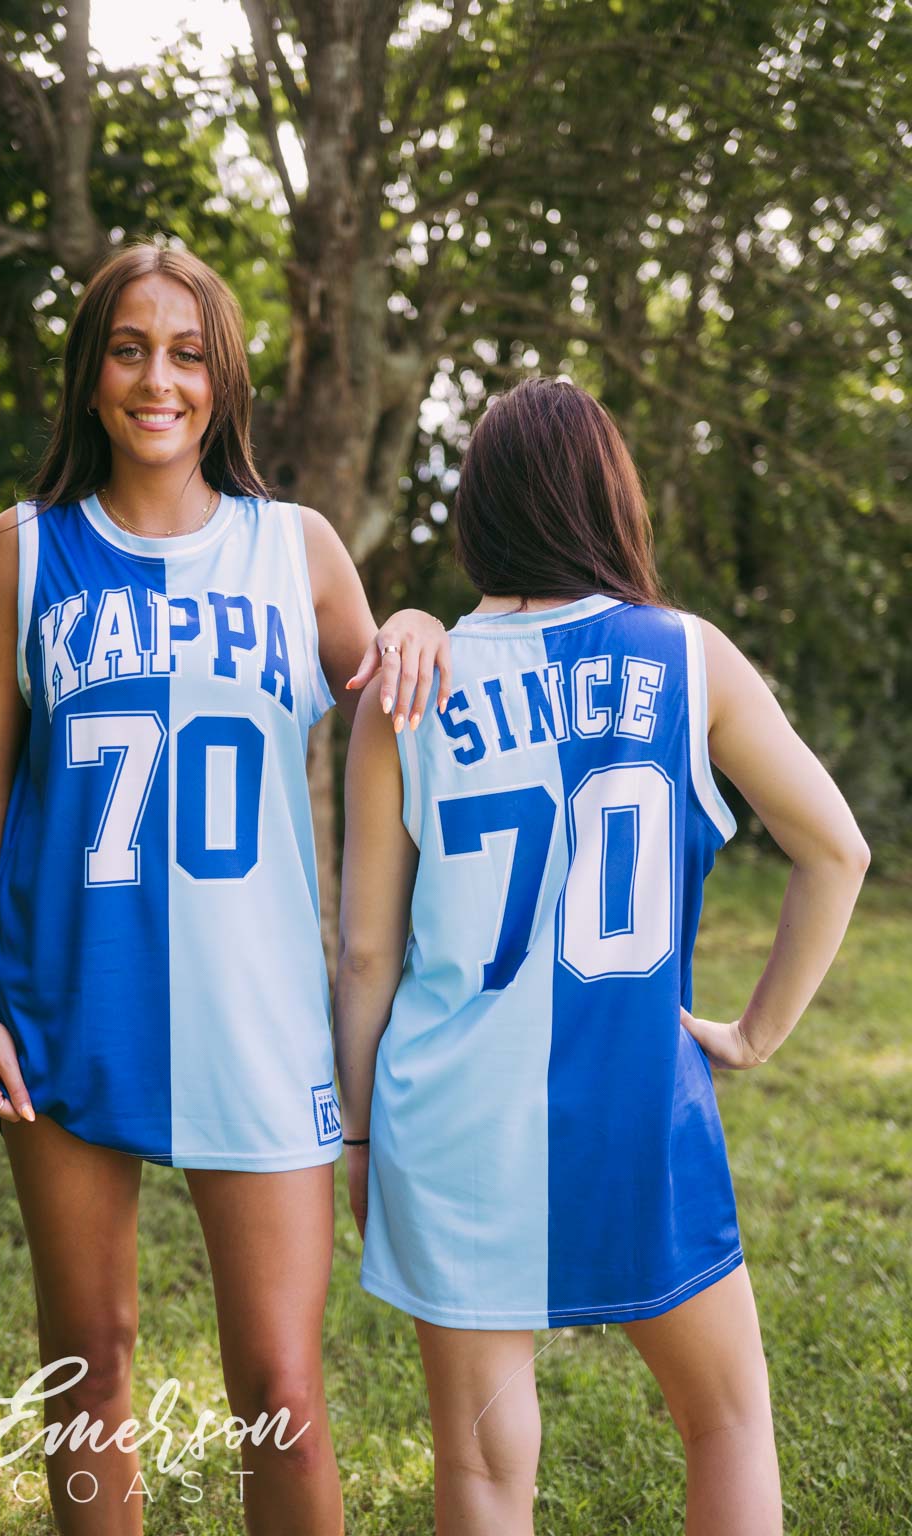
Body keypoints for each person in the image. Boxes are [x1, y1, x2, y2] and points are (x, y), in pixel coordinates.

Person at [0, 240, 452, 1536]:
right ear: (91, 374)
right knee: (88, 1368)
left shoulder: (297, 548)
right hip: (66, 1006)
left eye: (185, 354)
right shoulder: (27, 549)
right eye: (128, 350)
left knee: (281, 1388)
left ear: (222, 381)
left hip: (258, 1018)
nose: (155, 380)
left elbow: (396, 709)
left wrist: (413, 625)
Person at [335, 377, 870, 1536]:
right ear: (611, 500)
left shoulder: (409, 685)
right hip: (637, 1106)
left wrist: (361, 1141)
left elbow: (366, 956)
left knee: (482, 1469)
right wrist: (752, 1035)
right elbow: (836, 850)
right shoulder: (686, 654)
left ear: (478, 510)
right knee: (725, 1424)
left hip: (452, 1121)